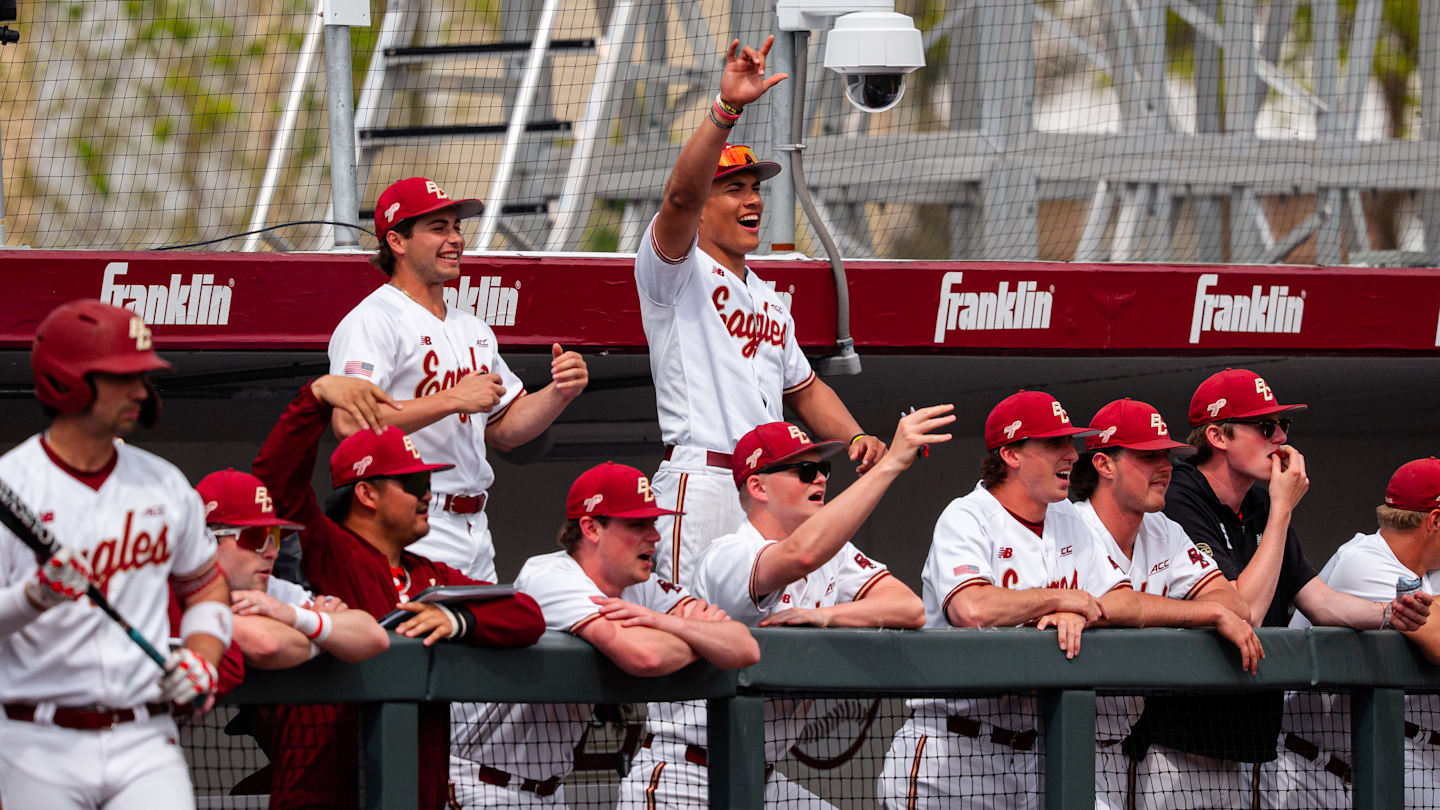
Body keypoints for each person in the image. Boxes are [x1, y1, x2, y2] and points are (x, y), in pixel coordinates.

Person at [878, 390, 1242, 810]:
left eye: (1070, 442)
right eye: (1055, 444)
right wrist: (1061, 600)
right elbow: (972, 608)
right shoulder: (967, 516)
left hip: (1039, 751)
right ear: (1012, 453)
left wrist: (1093, 613)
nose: (1071, 453)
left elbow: (1123, 602)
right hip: (957, 749)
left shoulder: (1069, 519)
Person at [635, 36, 886, 586]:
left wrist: (856, 436)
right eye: (732, 189)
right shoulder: (674, 270)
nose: (752, 200)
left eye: (755, 188)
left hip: (769, 490)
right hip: (703, 481)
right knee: (691, 623)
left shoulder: (769, 297)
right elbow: (679, 198)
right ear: (704, 207)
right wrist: (727, 109)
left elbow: (804, 387)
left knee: (770, 625)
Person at [1125, 368, 1431, 810]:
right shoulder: (1180, 497)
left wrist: (1389, 613)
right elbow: (1243, 608)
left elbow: (1319, 601)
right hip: (1173, 747)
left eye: (1282, 426)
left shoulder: (1259, 504)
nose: (1280, 439)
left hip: (1248, 751)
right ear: (1217, 435)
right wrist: (1283, 509)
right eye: (1265, 426)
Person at [251, 374, 546, 809]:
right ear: (366, 493)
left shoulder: (431, 575)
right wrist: (312, 399)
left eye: (427, 482)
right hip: (325, 790)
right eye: (411, 484)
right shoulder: (331, 549)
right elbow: (276, 483)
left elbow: (526, 614)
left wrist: (458, 619)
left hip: (413, 793)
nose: (427, 494)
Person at [620, 411, 942, 808]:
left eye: (822, 468)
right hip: (686, 778)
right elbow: (800, 555)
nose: (821, 478)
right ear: (758, 486)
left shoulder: (833, 555)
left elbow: (909, 609)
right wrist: (891, 463)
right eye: (805, 471)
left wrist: (829, 616)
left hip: (762, 776)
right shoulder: (729, 555)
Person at [0, 300, 229, 808]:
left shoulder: (164, 482)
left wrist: (201, 659)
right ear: (66, 381)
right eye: (121, 377)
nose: (140, 391)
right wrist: (33, 596)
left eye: (142, 376)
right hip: (36, 740)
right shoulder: (12, 484)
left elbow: (207, 585)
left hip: (145, 736)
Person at [448, 462, 759, 808]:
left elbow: (744, 647)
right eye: (637, 524)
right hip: (478, 781)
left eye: (653, 523)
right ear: (591, 528)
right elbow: (645, 657)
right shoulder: (549, 577)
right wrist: (700, 637)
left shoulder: (643, 589)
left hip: (548, 789)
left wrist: (667, 623)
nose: (654, 536)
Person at [329, 176, 589, 582]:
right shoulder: (372, 320)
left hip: (474, 525)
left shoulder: (474, 328)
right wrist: (452, 398)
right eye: (438, 228)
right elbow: (349, 424)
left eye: (456, 227)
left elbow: (504, 429)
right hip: (409, 522)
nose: (455, 239)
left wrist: (559, 393)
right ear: (397, 241)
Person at [1068, 398, 1263, 810]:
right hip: (1053, 736)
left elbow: (1235, 604)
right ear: (1104, 465)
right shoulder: (1070, 526)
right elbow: (1118, 605)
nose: (1165, 465)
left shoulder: (1163, 527)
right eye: (1147, 455)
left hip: (1118, 746)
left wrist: (1214, 608)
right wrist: (1206, 613)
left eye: (1167, 454)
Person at [1268, 458, 1440, 809]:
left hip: (1371, 766)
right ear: (1434, 521)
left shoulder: (1430, 568)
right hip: (1311, 772)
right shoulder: (1362, 561)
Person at [196, 468, 389, 669]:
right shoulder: (183, 592)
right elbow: (267, 643)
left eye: (275, 537)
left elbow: (374, 637)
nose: (272, 553)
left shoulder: (274, 591)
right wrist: (327, 638)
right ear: (207, 541)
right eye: (256, 538)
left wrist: (292, 615)